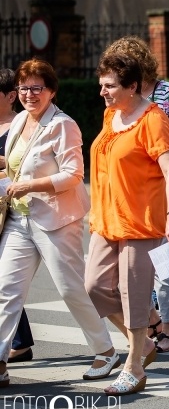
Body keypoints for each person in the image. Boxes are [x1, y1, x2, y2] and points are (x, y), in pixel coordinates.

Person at [0, 59, 118, 390]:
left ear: (51, 91)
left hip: (55, 220)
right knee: (6, 292)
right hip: (19, 219)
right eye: (24, 87)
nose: (29, 94)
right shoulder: (21, 120)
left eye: (37, 88)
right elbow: (17, 164)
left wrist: (29, 185)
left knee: (70, 289)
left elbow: (73, 175)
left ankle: (105, 350)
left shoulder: (63, 125)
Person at [85, 51, 169, 395]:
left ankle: (134, 366)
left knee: (133, 291)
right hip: (107, 218)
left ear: (133, 87)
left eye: (110, 86)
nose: (103, 92)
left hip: (141, 221)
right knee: (95, 286)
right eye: (102, 86)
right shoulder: (111, 114)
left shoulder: (153, 119)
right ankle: (147, 336)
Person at [100, 36, 169, 353]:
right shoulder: (115, 103)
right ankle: (153, 325)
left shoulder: (164, 92)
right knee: (124, 278)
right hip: (128, 194)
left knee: (164, 269)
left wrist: (155, 125)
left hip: (160, 185)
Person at [0, 69, 34, 364]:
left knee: (7, 280)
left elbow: (25, 165)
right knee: (5, 283)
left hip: (11, 211)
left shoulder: (18, 125)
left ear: (11, 97)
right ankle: (20, 340)